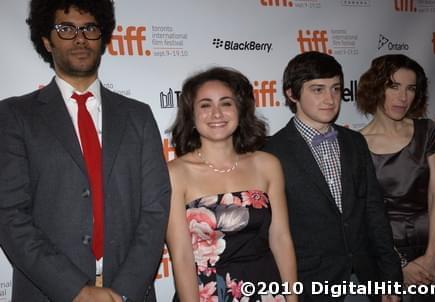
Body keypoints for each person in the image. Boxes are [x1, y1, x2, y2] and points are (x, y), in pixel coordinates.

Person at [0, 1, 170, 301]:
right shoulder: (15, 115)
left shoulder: (138, 115)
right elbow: (10, 215)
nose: (80, 38)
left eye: (89, 28)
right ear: (46, 41)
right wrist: (74, 290)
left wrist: (124, 290)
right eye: (66, 29)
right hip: (49, 293)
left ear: (102, 37)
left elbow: (155, 210)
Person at [263, 52, 402, 302]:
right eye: (317, 90)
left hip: (365, 278)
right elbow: (270, 233)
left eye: (336, 89)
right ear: (292, 94)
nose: (330, 99)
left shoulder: (355, 142)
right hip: (309, 285)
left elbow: (374, 213)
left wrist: (390, 278)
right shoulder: (270, 152)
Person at [166, 67, 298, 301]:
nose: (217, 113)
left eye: (226, 103)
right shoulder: (176, 173)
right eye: (205, 105)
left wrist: (292, 298)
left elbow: (281, 239)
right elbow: (182, 256)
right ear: (192, 116)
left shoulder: (267, 164)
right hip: (208, 292)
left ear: (240, 111)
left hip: (265, 289)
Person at [356, 54, 435, 302]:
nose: (403, 97)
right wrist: (398, 265)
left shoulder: (427, 130)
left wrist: (433, 255)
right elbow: (363, 216)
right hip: (388, 251)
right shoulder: (356, 145)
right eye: (394, 86)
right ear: (376, 88)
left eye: (410, 88)